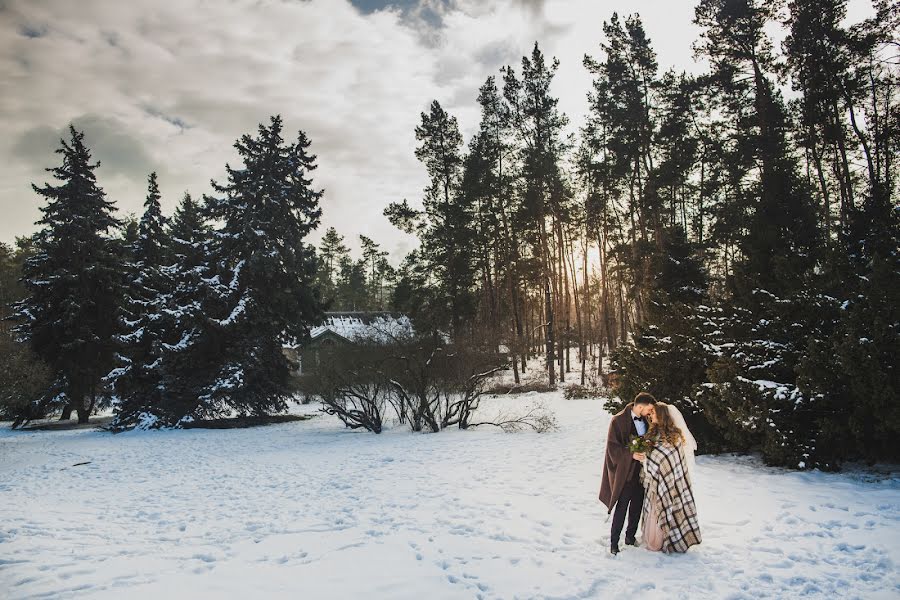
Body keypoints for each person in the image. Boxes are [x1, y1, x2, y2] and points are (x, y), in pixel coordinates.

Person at [638, 402, 702, 553]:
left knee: (669, 507)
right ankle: (653, 538)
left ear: (661, 415)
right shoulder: (651, 433)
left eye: (653, 412)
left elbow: (671, 462)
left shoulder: (675, 437)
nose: (650, 415)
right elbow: (652, 457)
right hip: (654, 482)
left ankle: (670, 539)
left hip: (669, 483)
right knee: (654, 509)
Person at [599, 391, 656, 555]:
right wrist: (630, 454)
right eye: (649, 409)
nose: (650, 413)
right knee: (622, 507)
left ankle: (630, 537)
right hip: (625, 473)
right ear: (640, 406)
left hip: (642, 473)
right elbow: (612, 448)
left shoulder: (646, 420)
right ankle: (614, 543)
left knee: (637, 506)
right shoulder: (618, 421)